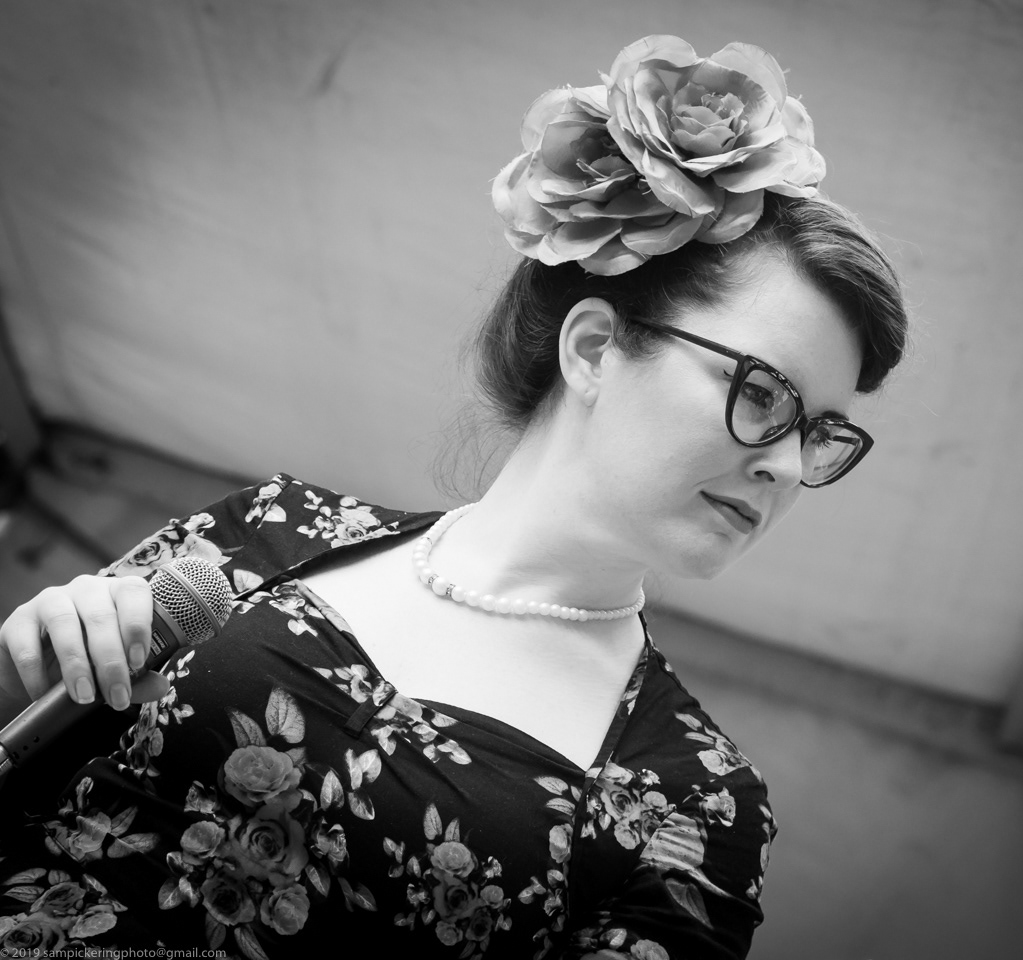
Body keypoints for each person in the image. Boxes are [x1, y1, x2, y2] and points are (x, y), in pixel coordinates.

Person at [0, 35, 906, 959]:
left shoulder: (697, 805)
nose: (787, 466)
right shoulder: (273, 528)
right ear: (594, 349)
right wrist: (31, 660)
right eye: (763, 394)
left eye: (820, 434)